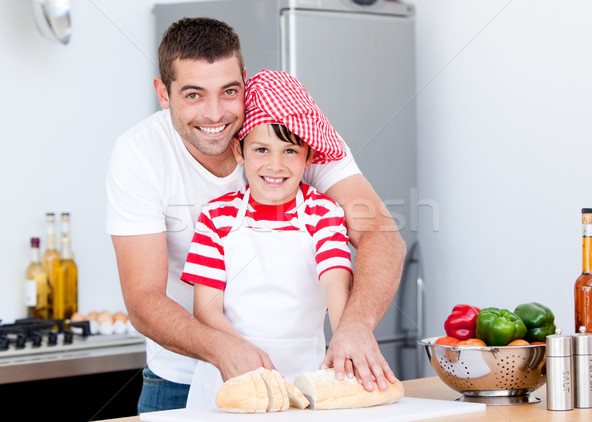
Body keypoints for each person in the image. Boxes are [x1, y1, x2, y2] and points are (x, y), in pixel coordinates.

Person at [106, 17, 405, 413]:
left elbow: (380, 233)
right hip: (179, 379)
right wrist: (226, 349)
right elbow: (143, 298)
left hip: (305, 377)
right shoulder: (140, 155)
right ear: (164, 93)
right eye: (194, 95)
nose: (214, 114)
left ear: (244, 81)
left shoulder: (291, 130)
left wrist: (353, 326)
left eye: (229, 91)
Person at [182, 69, 354, 407]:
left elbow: (336, 286)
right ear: (239, 151)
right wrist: (246, 356)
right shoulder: (216, 216)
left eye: (289, 151)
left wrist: (345, 339)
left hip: (305, 381)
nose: (275, 165)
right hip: (230, 378)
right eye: (261, 150)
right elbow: (206, 309)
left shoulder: (324, 213)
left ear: (308, 156)